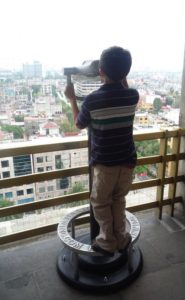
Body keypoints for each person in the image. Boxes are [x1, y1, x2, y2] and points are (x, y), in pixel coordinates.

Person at [64, 46, 139, 256]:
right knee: (119, 199)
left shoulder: (92, 101)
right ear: (126, 73)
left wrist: (71, 99)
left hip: (105, 163)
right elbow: (122, 86)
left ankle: (106, 241)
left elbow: (80, 123)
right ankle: (122, 237)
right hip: (127, 161)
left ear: (100, 72)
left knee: (100, 202)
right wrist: (118, 75)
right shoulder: (132, 96)